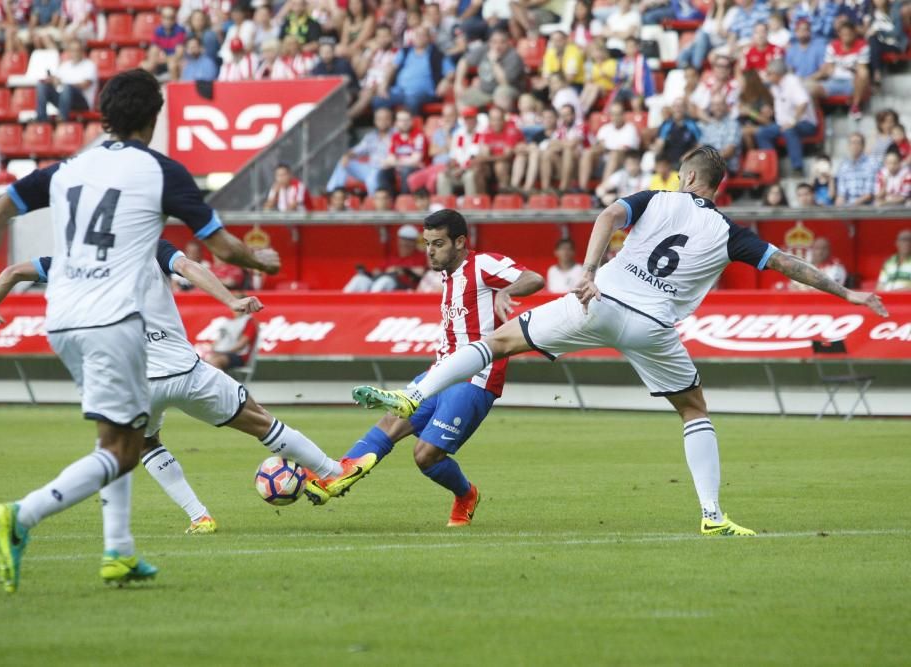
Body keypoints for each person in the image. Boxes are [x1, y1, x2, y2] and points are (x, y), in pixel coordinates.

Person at [352, 145, 888, 535]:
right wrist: (849, 294)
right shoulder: (730, 232)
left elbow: (609, 213)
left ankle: (415, 396)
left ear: (686, 177)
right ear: (717, 186)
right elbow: (790, 264)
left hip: (599, 300)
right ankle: (712, 515)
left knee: (497, 341)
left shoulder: (658, 198)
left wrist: (586, 270)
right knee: (693, 410)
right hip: (653, 327)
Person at [0, 69, 330, 594]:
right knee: (121, 450)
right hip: (115, 322)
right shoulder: (160, 172)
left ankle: (119, 552)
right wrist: (258, 262)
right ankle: (21, 515)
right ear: (154, 119)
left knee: (126, 437)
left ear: (104, 115)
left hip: (63, 320)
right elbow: (220, 251)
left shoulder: (66, 169)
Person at [0, 237, 373, 535]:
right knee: (261, 422)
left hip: (136, 383)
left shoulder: (73, 263)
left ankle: (200, 517)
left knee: (145, 444)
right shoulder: (151, 247)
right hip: (185, 372)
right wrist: (231, 299)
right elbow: (188, 267)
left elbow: (10, 273)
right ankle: (330, 470)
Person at [336, 210, 545, 526]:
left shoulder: (483, 265)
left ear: (460, 242)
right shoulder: (447, 276)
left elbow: (534, 278)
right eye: (427, 243)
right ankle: (334, 474)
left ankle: (466, 494)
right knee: (391, 422)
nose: (430, 250)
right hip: (439, 373)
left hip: (476, 378)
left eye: (438, 243)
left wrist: (507, 290)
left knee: (425, 456)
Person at [757, 59, 819, 175]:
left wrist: (793, 121)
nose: (767, 76)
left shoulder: (792, 82)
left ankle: (797, 168)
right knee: (762, 133)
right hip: (782, 123)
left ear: (777, 74)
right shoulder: (775, 86)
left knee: (789, 130)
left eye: (769, 73)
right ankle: (772, 168)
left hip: (805, 123)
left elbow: (803, 102)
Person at [374, 26, 453, 115]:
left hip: (423, 94)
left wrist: (445, 81)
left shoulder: (437, 54)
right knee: (378, 100)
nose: (419, 37)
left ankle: (410, 127)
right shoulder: (405, 51)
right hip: (399, 92)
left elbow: (451, 72)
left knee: (411, 101)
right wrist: (384, 84)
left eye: (422, 35)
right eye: (417, 35)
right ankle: (388, 127)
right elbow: (392, 68)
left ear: (429, 38)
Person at [326, 106, 393, 195]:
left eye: (385, 119)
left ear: (391, 121)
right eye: (379, 119)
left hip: (385, 169)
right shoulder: (371, 137)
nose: (382, 122)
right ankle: (332, 192)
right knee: (343, 162)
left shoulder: (396, 135)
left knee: (372, 177)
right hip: (370, 168)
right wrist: (347, 156)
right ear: (375, 121)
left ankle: (374, 203)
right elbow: (356, 151)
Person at [809, 20, 870, 119]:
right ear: (839, 34)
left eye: (849, 34)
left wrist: (852, 70)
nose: (846, 37)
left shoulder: (862, 46)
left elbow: (862, 68)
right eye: (844, 34)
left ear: (854, 34)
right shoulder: (832, 46)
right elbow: (828, 68)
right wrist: (811, 78)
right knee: (811, 89)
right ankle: (817, 116)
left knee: (863, 73)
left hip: (853, 82)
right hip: (834, 81)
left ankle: (855, 106)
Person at [343, 223, 427, 292]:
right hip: (382, 282)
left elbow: (420, 272)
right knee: (359, 279)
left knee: (384, 281)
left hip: (403, 287)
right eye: (403, 240)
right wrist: (371, 273)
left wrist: (399, 270)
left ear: (414, 243)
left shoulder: (420, 257)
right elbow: (377, 270)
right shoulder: (393, 256)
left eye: (408, 242)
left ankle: (372, 307)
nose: (405, 244)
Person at [579, 102, 641, 192]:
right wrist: (601, 148)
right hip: (602, 161)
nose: (615, 117)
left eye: (618, 114)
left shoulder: (630, 129)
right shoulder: (605, 128)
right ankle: (582, 189)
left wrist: (606, 148)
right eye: (613, 114)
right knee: (587, 153)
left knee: (614, 155)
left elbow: (624, 150)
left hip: (622, 163)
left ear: (623, 115)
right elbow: (599, 146)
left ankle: (603, 190)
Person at [455, 29, 525, 108]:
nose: (498, 46)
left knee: (501, 93)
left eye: (502, 42)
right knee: (463, 97)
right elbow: (464, 61)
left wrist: (494, 62)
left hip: (509, 90)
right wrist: (458, 83)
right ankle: (467, 119)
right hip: (485, 91)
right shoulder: (485, 49)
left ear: (508, 43)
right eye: (494, 42)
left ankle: (502, 119)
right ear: (489, 42)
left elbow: (504, 83)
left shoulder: (513, 56)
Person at [36, 38, 97, 122]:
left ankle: (61, 119)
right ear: (69, 51)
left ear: (82, 51)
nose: (75, 53)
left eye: (77, 50)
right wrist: (51, 80)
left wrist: (63, 83)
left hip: (82, 103)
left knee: (67, 88)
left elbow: (85, 85)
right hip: (64, 100)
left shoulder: (90, 65)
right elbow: (57, 84)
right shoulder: (65, 66)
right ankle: (41, 119)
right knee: (42, 85)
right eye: (72, 50)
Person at [380, 109, 428, 195]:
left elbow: (416, 160)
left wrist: (396, 162)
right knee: (383, 171)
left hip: (417, 169)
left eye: (407, 120)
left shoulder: (419, 135)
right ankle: (390, 199)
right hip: (400, 167)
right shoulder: (395, 137)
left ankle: (404, 199)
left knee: (406, 170)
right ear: (396, 123)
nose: (404, 123)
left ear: (411, 121)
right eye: (401, 120)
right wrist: (398, 162)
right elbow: (390, 158)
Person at [437, 106, 482, 196]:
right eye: (466, 119)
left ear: (476, 119)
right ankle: (445, 207)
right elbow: (454, 155)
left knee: (470, 176)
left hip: (470, 169)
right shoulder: (460, 134)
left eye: (471, 118)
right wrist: (450, 166)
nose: (468, 121)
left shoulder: (480, 132)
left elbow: (474, 156)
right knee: (442, 176)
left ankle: (470, 206)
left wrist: (462, 169)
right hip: (458, 168)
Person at [698, 93, 742, 173]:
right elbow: (700, 146)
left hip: (726, 167)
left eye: (720, 104)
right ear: (711, 108)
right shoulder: (708, 126)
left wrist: (709, 160)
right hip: (708, 166)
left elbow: (729, 151)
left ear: (726, 106)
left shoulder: (733, 124)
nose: (717, 107)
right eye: (714, 105)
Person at [653, 98, 701, 167]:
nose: (678, 109)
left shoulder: (692, 124)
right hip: (668, 163)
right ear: (672, 109)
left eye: (680, 106)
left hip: (687, 162)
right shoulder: (666, 124)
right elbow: (659, 143)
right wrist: (659, 146)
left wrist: (690, 154)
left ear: (685, 109)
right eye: (675, 106)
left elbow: (700, 145)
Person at [835, 132, 876, 206]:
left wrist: (851, 206)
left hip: (866, 208)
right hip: (847, 208)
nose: (855, 146)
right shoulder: (843, 166)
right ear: (848, 146)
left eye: (858, 143)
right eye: (852, 143)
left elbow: (868, 195)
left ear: (863, 146)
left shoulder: (871, 164)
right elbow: (841, 194)